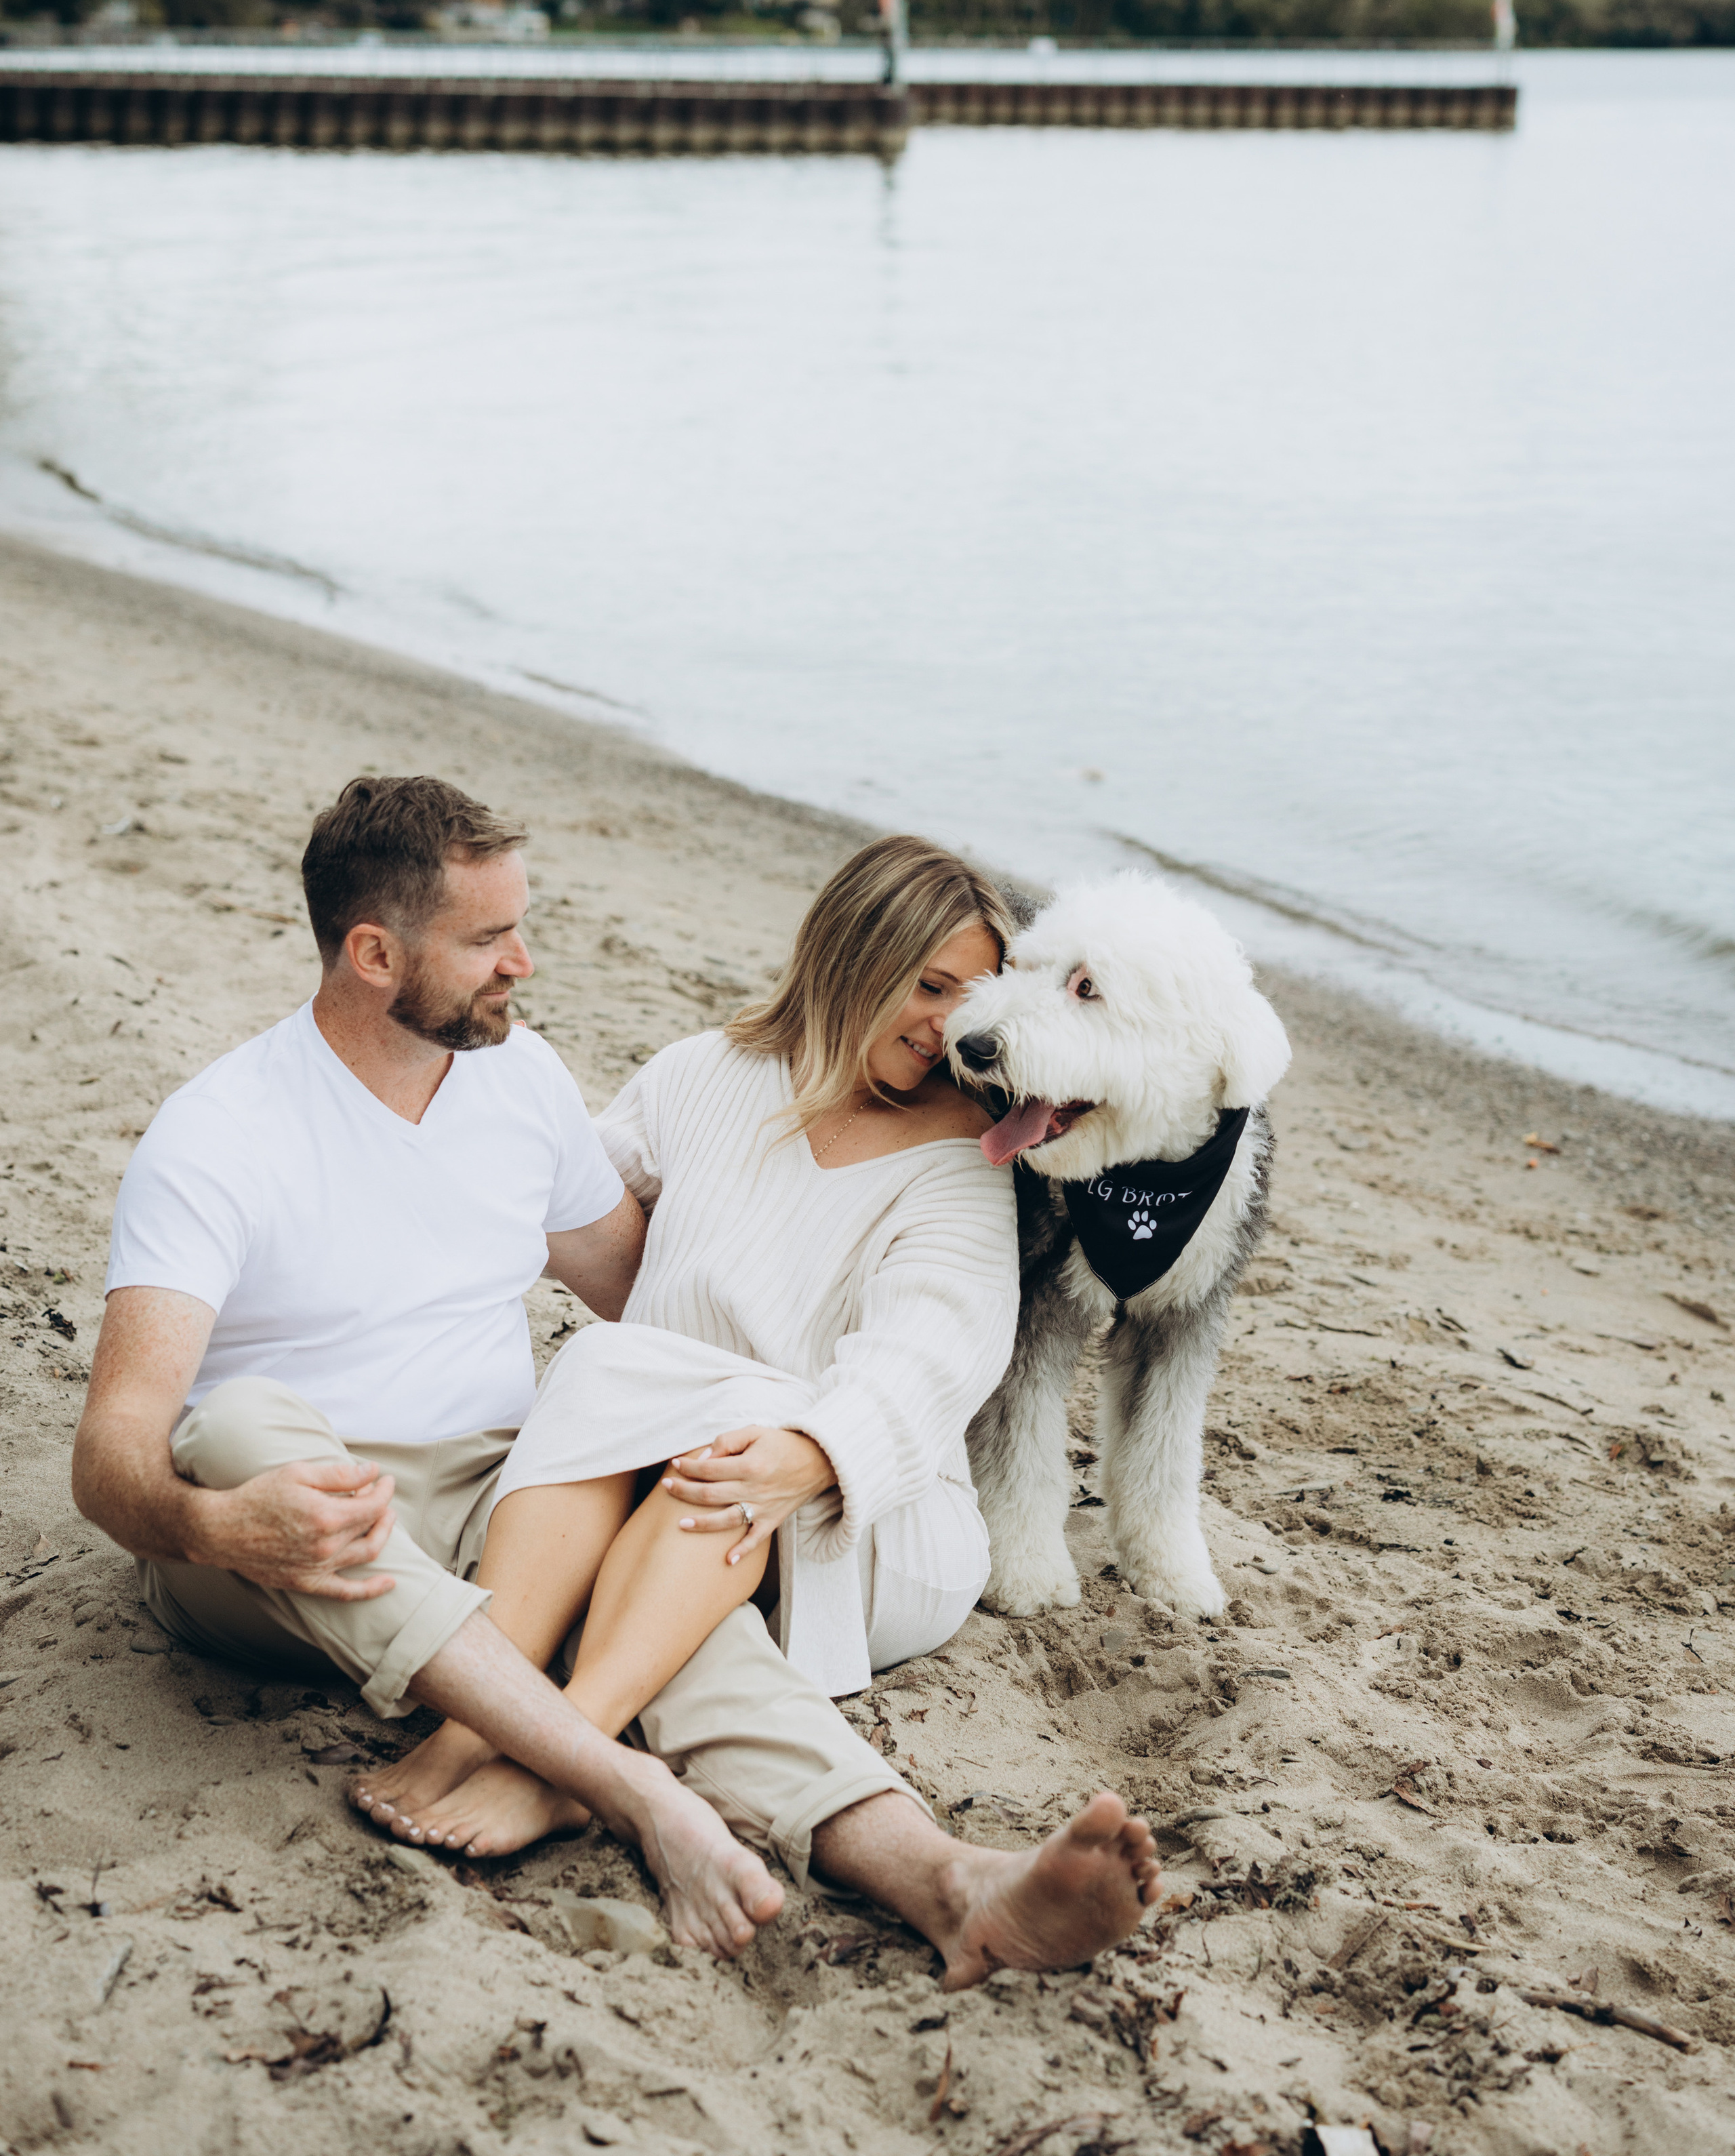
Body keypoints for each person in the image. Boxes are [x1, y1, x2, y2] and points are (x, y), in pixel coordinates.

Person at [71, 774, 1160, 1986]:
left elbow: (646, 1289)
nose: (523, 963)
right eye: (489, 939)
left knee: (668, 1601)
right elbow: (114, 1451)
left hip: (495, 1494)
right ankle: (621, 1782)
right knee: (234, 1422)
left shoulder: (522, 1082)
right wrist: (217, 1523)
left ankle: (945, 1878)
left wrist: (752, 1452)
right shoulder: (220, 1134)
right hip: (285, 1516)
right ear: (375, 954)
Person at [352, 835, 1021, 1859]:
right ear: (850, 955)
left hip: (867, 1510)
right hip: (659, 1465)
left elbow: (931, 1361)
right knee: (616, 1384)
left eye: (970, 1002)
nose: (948, 1027)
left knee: (640, 1388)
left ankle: (560, 1750)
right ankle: (482, 1717)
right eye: (928, 987)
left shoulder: (966, 1159)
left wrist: (814, 1450)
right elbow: (550, 1197)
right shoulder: (705, 1075)